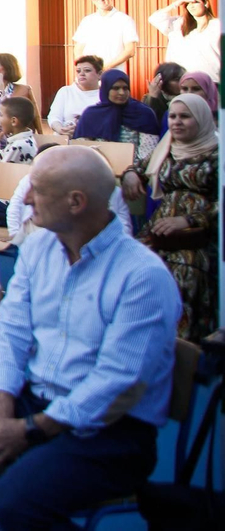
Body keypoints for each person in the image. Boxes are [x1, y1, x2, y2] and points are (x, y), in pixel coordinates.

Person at [0, 147, 182, 531]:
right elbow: (11, 332)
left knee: (15, 501)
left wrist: (29, 431)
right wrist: (0, 407)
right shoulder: (38, 248)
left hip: (113, 431)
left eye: (37, 189)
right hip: (33, 401)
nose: (26, 197)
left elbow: (118, 385)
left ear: (76, 202)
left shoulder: (142, 277)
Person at [138, 93, 218, 342]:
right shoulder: (166, 149)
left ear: (202, 119)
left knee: (183, 272)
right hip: (159, 231)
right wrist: (131, 174)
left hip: (199, 237)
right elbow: (138, 168)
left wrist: (189, 220)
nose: (176, 122)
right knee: (136, 268)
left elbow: (221, 202)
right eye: (172, 116)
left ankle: (182, 348)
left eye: (185, 116)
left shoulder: (217, 154)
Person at [76, 67, 161, 199]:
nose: (121, 92)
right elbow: (82, 149)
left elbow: (149, 152)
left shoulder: (143, 113)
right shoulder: (91, 115)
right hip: (97, 175)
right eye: (115, 88)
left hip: (135, 177)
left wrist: (131, 172)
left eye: (125, 88)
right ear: (105, 89)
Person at [72, 0, 140, 71]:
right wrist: (84, 69)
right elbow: (78, 49)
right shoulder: (87, 21)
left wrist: (104, 68)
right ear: (92, 0)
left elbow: (130, 51)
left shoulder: (124, 20)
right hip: (90, 76)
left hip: (112, 75)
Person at [46, 54, 103, 135]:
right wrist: (60, 129)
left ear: (100, 74)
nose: (82, 74)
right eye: (78, 71)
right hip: (65, 140)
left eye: (87, 70)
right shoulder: (65, 91)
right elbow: (54, 117)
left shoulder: (105, 95)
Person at [0, 96, 41, 164]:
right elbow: (5, 153)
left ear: (13, 121)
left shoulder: (18, 145)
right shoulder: (23, 139)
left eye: (1, 115)